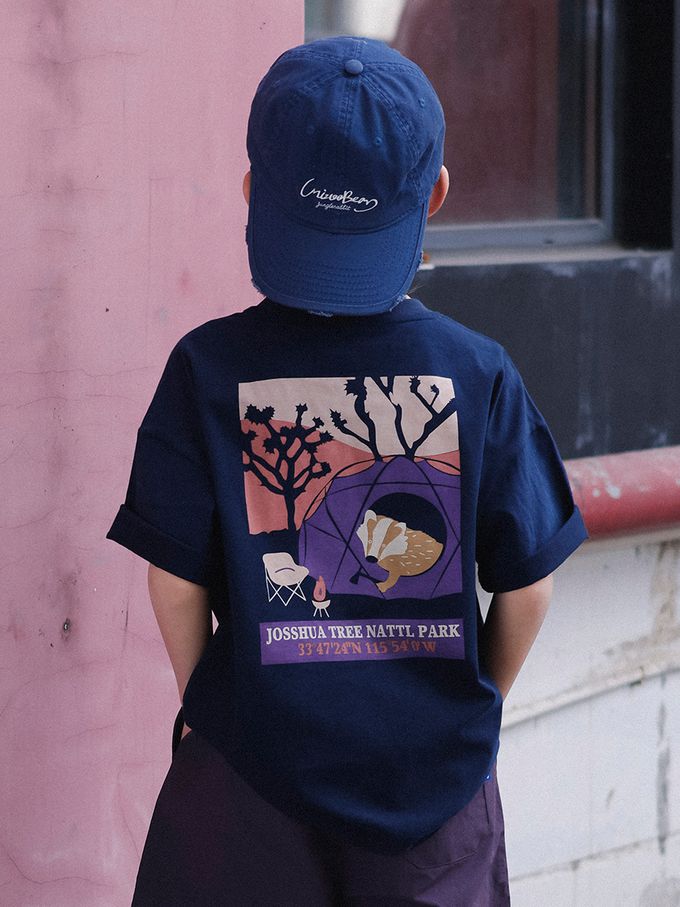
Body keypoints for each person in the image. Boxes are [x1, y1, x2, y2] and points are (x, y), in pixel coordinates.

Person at [106, 35, 588, 906]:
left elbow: (173, 580)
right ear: (435, 195)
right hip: (432, 803)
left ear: (252, 191)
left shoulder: (204, 368)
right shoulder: (478, 372)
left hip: (244, 790)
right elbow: (528, 588)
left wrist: (214, 708)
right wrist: (468, 719)